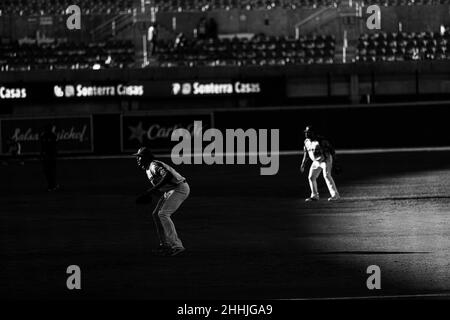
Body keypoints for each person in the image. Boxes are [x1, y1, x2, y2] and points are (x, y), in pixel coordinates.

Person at [133, 147, 190, 257]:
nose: (137, 159)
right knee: (156, 214)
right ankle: (165, 244)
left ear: (145, 158)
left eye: (139, 157)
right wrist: (151, 193)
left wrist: (150, 191)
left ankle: (177, 246)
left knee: (163, 214)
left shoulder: (154, 165)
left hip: (180, 188)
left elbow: (167, 176)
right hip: (171, 190)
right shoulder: (148, 169)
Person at [300, 125, 340, 202]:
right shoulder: (306, 142)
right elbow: (306, 154)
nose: (306, 134)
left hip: (325, 160)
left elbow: (331, 150)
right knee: (311, 177)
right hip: (316, 161)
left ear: (313, 133)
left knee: (327, 175)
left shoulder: (320, 140)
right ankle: (314, 196)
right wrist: (303, 164)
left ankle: (335, 195)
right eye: (306, 132)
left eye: (308, 132)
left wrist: (335, 162)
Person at [40, 124, 59, 191]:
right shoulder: (45, 136)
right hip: (48, 156)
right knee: (48, 172)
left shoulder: (52, 136)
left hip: (50, 156)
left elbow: (55, 146)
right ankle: (52, 185)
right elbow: (42, 147)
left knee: (50, 171)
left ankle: (52, 185)